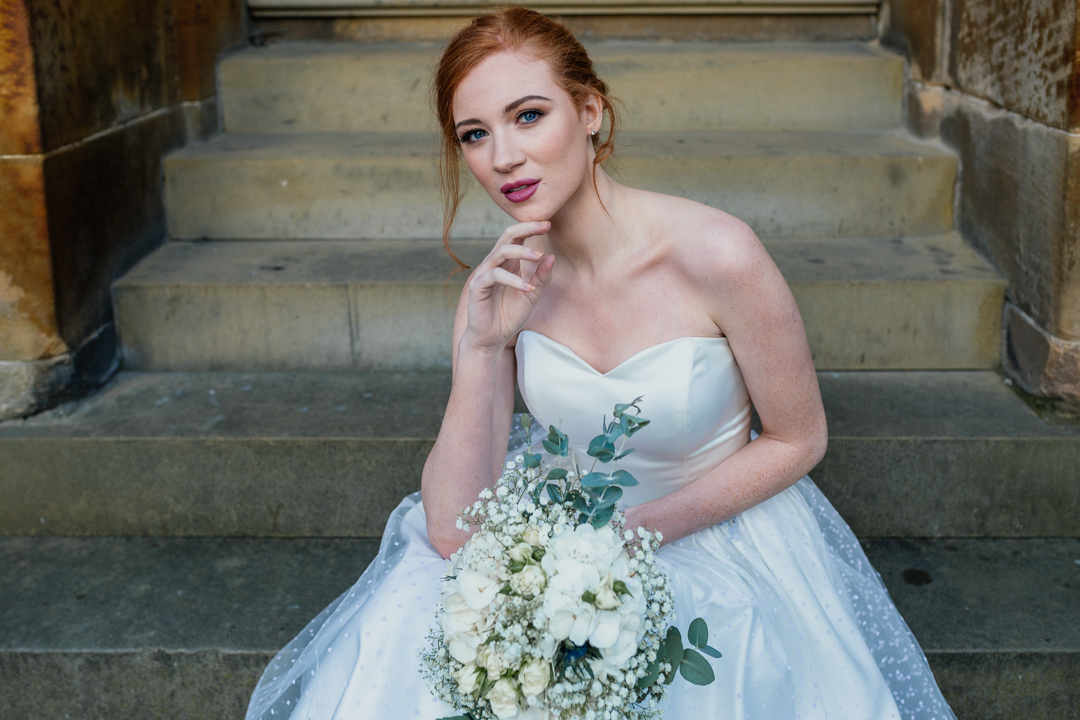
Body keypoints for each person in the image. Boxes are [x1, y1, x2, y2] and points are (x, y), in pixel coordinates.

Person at [246, 7, 956, 719]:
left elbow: (799, 438)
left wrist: (627, 540)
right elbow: (452, 531)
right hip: (557, 540)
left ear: (590, 112)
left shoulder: (719, 253)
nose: (503, 157)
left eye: (528, 116)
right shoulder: (501, 290)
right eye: (475, 134)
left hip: (710, 535)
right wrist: (483, 347)